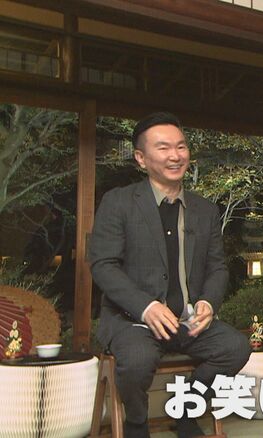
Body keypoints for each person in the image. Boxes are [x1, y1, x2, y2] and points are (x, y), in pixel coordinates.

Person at [89, 112, 251, 438]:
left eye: (181, 146)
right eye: (163, 148)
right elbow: (103, 264)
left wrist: (208, 302)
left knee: (235, 348)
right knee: (137, 360)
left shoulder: (205, 210)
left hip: (187, 321)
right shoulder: (119, 202)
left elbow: (217, 266)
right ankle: (136, 424)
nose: (175, 155)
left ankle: (186, 410)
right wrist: (145, 306)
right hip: (133, 321)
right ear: (141, 158)